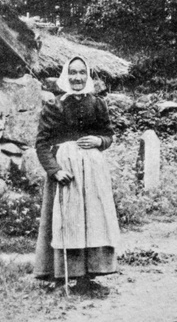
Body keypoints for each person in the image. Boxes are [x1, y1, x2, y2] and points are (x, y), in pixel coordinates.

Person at [33, 56, 120, 287]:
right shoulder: (54, 105)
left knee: (92, 219)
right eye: (72, 72)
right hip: (66, 172)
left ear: (88, 76)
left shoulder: (98, 104)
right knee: (65, 220)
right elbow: (42, 144)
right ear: (65, 75)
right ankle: (59, 274)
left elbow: (109, 135)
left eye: (82, 72)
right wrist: (55, 170)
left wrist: (99, 140)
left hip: (92, 173)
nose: (77, 77)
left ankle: (90, 274)